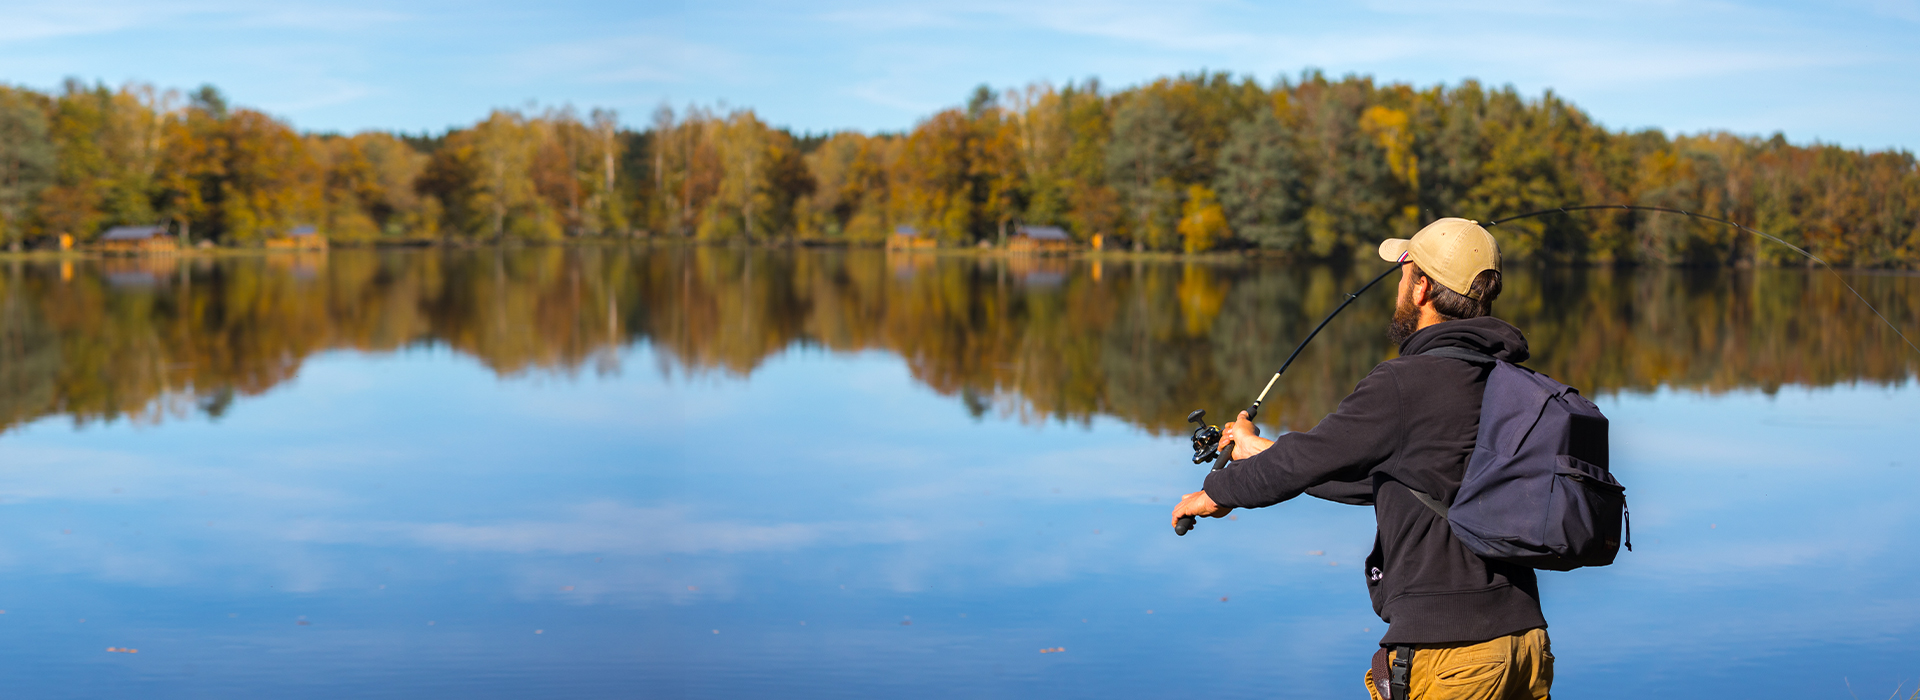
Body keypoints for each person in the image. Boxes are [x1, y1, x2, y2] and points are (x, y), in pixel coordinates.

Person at [1169, 218, 1553, 700]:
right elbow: (1386, 476)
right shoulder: (1507, 381)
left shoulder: (1405, 383)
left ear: (1423, 289)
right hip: (1526, 643)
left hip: (1454, 655)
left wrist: (1215, 493)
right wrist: (1258, 450)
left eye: (1403, 274)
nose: (1398, 286)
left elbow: (1306, 462)